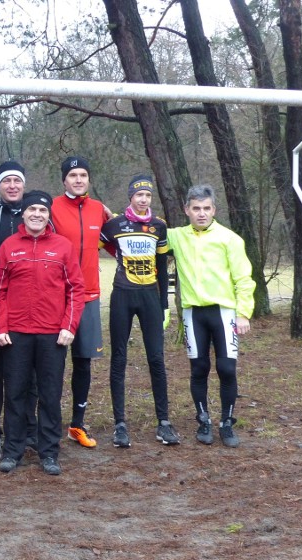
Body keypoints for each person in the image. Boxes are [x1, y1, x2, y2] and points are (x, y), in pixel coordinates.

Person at [0, 190, 84, 475]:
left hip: (52, 334)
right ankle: (13, 451)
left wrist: (69, 327)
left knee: (49, 394)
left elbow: (75, 290)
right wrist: (0, 326)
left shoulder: (63, 247)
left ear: (48, 216)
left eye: (42, 211)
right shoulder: (9, 246)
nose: (37, 215)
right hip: (16, 333)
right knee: (16, 394)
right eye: (32, 209)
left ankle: (48, 452)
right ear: (24, 213)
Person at [166, 184, 255, 448]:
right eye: (196, 209)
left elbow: (244, 279)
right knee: (200, 368)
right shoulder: (177, 236)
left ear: (214, 209)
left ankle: (226, 422)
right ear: (187, 210)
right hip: (193, 313)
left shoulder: (230, 239)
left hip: (224, 311)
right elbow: (145, 228)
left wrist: (243, 313)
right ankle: (203, 419)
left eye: (206, 208)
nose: (201, 213)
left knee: (226, 368)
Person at [99, 175, 179, 448]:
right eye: (138, 195)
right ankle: (120, 425)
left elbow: (162, 266)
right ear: (130, 197)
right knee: (118, 359)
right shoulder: (115, 224)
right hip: (122, 295)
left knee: (156, 358)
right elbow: (91, 247)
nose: (143, 200)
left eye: (147, 196)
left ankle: (164, 423)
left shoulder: (159, 227)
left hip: (149, 298)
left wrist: (165, 305)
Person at [0, 160, 39, 461]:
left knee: (30, 376)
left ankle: (29, 430)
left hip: (32, 312)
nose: (12, 186)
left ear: (24, 185)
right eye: (7, 181)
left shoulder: (38, 216)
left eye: (17, 180)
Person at [51, 156, 110, 448]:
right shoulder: (51, 208)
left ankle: (77, 424)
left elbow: (116, 240)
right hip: (56, 297)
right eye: (72, 175)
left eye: (83, 175)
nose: (78, 179)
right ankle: (48, 424)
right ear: (64, 180)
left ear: (89, 179)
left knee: (83, 362)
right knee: (53, 363)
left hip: (88, 296)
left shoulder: (100, 209)